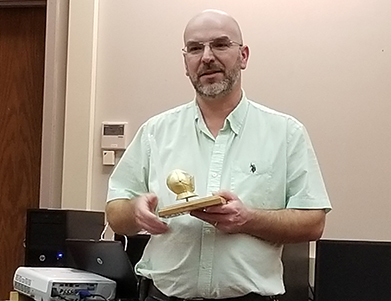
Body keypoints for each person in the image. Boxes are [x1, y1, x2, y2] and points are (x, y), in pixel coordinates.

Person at [106, 9, 331, 301]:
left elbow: (314, 222)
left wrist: (248, 219)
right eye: (195, 48)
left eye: (220, 45)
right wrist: (135, 211)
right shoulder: (155, 132)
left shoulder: (286, 133)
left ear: (244, 56)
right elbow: (115, 213)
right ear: (186, 63)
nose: (207, 57)